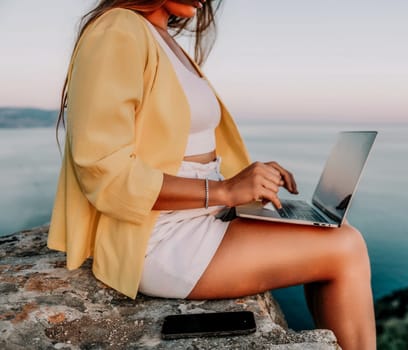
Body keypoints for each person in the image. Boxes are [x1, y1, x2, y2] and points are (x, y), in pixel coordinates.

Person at [48, 1, 376, 348]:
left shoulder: (161, 38)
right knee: (346, 247)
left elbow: (184, 143)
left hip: (202, 215)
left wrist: (245, 183)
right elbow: (105, 170)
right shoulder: (117, 29)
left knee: (334, 233)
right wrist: (223, 191)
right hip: (159, 236)